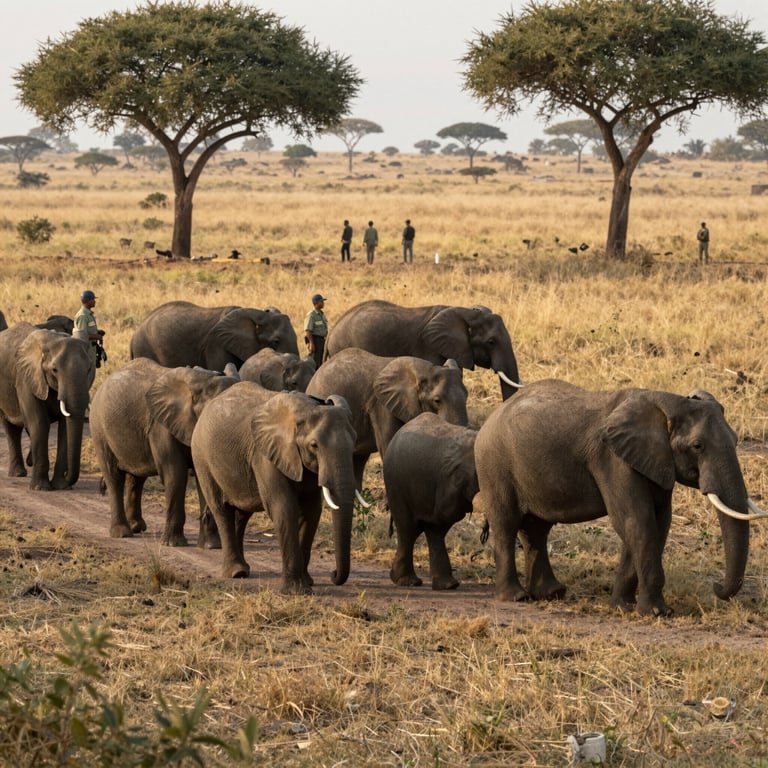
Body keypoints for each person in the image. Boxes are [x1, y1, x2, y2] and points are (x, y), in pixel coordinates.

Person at [73, 289, 106, 367]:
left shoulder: (89, 314)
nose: (95, 301)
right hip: (86, 350)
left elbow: (87, 330)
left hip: (92, 349)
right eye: (93, 299)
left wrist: (97, 332)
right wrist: (96, 336)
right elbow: (81, 335)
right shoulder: (83, 316)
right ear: (88, 301)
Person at [304, 293, 328, 369]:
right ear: (316, 303)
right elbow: (308, 330)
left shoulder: (322, 314)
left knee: (322, 361)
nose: (323, 303)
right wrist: (311, 343)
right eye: (321, 301)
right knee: (315, 362)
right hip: (315, 340)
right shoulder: (311, 315)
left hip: (322, 340)